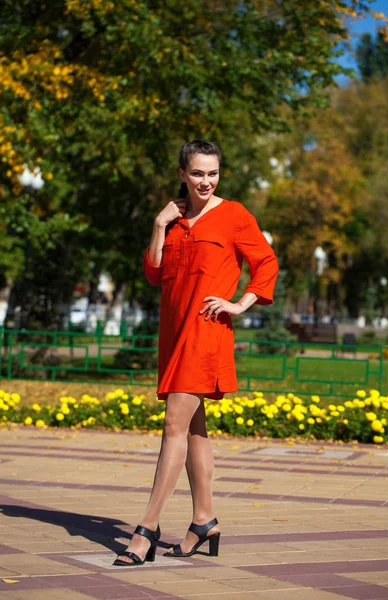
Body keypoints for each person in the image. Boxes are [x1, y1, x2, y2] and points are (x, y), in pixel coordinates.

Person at [114, 140, 279, 566]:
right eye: (198, 173)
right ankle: (204, 520)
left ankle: (146, 529)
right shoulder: (173, 219)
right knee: (192, 429)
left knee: (174, 424)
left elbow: (266, 262)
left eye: (213, 173)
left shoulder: (234, 215)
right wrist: (158, 223)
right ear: (182, 175)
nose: (206, 181)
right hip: (172, 333)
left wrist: (240, 304)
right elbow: (154, 273)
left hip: (205, 332)